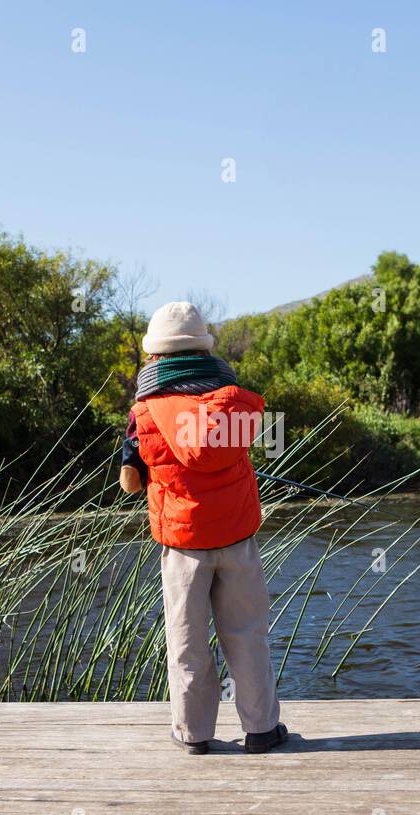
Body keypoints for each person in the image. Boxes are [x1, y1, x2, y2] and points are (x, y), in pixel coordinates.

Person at [119, 301, 289, 755]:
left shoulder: (146, 412)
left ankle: (193, 734)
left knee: (187, 639)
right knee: (248, 634)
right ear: (203, 349)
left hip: (182, 544)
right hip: (237, 539)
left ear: (156, 355)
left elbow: (130, 484)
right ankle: (261, 730)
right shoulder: (231, 403)